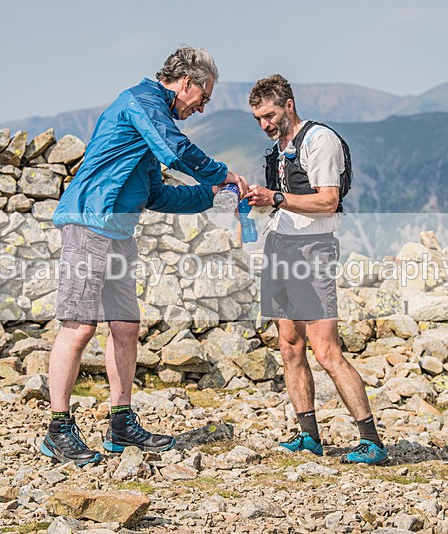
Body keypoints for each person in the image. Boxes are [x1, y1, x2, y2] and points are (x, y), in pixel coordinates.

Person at [42, 46, 248, 466]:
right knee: (78, 328)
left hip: (119, 231)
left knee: (125, 326)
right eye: (203, 97)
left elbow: (155, 193)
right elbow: (175, 150)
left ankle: (120, 424)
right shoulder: (142, 103)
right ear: (186, 82)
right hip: (88, 221)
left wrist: (211, 195)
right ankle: (57, 429)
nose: (202, 107)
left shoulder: (152, 121)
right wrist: (222, 173)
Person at [245, 74, 387, 464]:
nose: (265, 125)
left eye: (270, 115)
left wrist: (274, 196)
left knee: (325, 350)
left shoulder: (319, 140)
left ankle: (371, 439)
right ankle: (309, 436)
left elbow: (327, 201)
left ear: (289, 105)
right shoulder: (278, 148)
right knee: (289, 345)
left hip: (312, 250)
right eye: (257, 118)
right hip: (280, 246)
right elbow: (286, 200)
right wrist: (258, 201)